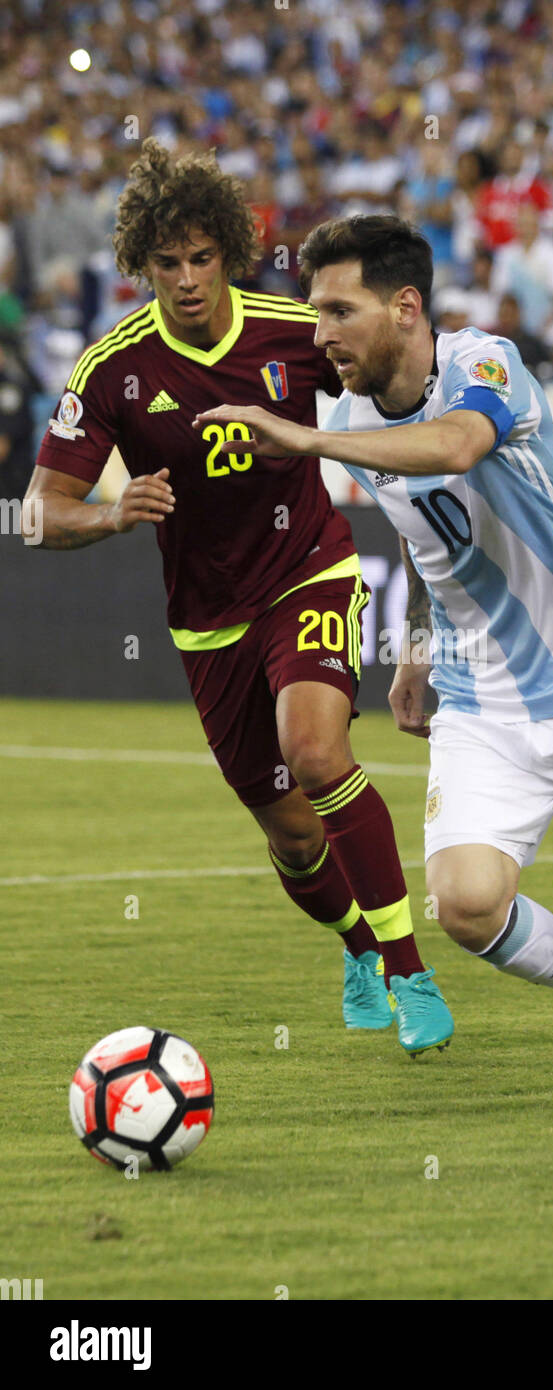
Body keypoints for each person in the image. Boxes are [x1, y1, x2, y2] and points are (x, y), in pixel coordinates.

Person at [193, 215, 553, 1126]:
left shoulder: (481, 364)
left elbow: (455, 447)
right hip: (484, 698)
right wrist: (418, 643)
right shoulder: (348, 410)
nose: (321, 332)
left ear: (406, 307)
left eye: (340, 309)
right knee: (464, 906)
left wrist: (303, 444)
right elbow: (432, 543)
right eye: (313, 311)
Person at [23, 144, 453, 1059]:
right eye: (165, 264)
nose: (185, 281)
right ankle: (359, 950)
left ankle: (412, 972)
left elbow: (385, 381)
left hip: (307, 569)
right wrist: (108, 516)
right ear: (143, 265)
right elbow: (37, 514)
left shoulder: (294, 331)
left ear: (231, 251)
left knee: (315, 752)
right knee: (294, 837)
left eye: (202, 258)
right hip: (205, 615)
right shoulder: (111, 369)